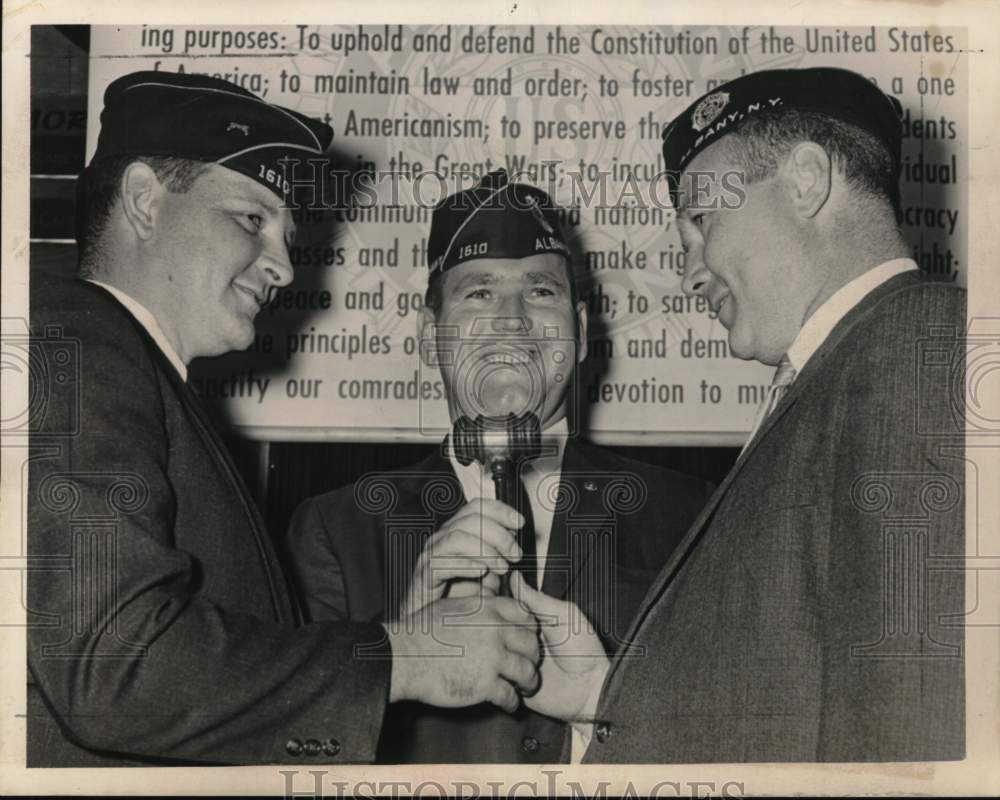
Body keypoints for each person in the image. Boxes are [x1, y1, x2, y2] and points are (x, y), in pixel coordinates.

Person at [27, 71, 541, 767]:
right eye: (251, 219)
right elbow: (115, 666)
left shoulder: (144, 379)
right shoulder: (82, 339)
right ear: (146, 201)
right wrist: (406, 655)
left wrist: (403, 635)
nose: (282, 266)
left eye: (287, 234)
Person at [514, 66, 966, 762]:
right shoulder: (844, 371)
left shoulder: (915, 348)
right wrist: (608, 697)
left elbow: (914, 722)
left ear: (807, 181)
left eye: (701, 221)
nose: (690, 271)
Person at [285, 169, 714, 763]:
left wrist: (605, 713)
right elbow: (299, 757)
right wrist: (400, 643)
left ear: (581, 333)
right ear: (431, 338)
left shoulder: (693, 518)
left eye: (540, 291)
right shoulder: (336, 530)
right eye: (479, 293)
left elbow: (736, 733)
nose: (512, 319)